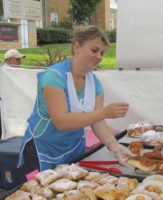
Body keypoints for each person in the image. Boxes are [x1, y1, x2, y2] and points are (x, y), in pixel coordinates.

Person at [17, 26, 132, 173]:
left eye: (102, 53)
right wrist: (104, 112)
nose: (99, 57)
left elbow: (97, 121)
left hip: (74, 148)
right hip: (43, 151)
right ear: (77, 47)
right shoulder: (54, 77)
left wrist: (114, 146)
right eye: (94, 50)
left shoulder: (95, 83)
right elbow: (62, 122)